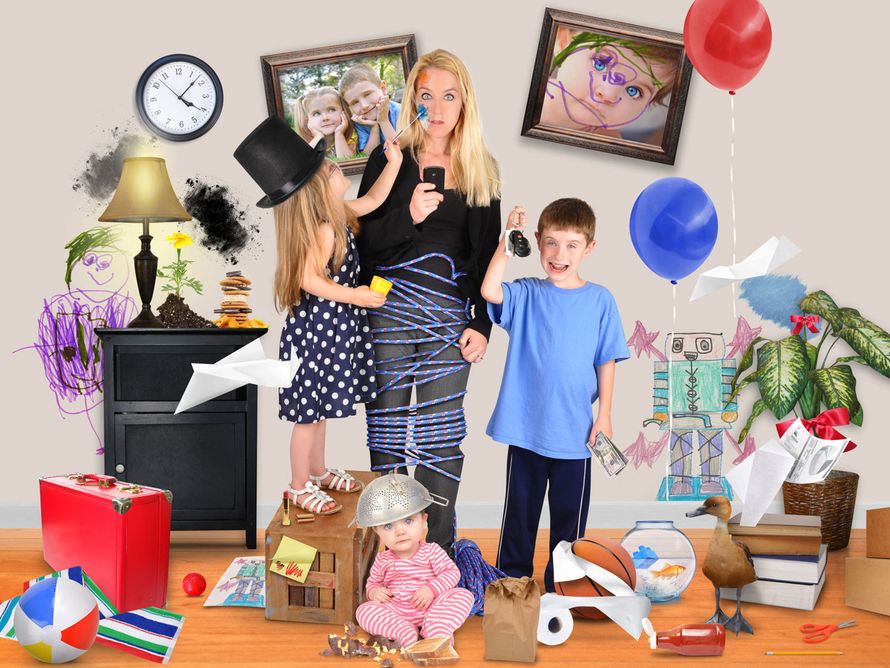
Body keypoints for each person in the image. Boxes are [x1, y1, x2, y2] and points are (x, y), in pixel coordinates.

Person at [355, 49, 502, 556]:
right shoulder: (389, 159)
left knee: (441, 439)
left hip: (448, 321)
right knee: (387, 434)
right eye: (426, 96)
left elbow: (485, 257)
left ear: (465, 103)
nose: (437, 109)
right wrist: (409, 217)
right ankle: (391, 556)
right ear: (412, 101)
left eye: (449, 96)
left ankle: (434, 552)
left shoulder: (482, 169)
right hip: (388, 315)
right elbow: (363, 247)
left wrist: (482, 324)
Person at [234, 116, 402, 515]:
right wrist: (355, 296)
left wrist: (394, 163)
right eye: (329, 170)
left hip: (329, 332)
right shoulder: (324, 230)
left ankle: (318, 470)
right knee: (308, 415)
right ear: (315, 191)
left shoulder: (337, 215)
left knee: (319, 409)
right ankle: (297, 486)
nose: (337, 168)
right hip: (316, 336)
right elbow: (308, 279)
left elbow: (372, 201)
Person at [480, 198, 630, 591]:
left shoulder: (600, 300)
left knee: (569, 524)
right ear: (536, 241)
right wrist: (506, 240)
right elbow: (490, 290)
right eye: (550, 243)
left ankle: (563, 589)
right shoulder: (527, 293)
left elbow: (607, 360)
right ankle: (511, 587)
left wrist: (605, 415)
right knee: (519, 516)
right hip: (526, 431)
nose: (559, 255)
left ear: (589, 248)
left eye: (571, 245)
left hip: (575, 433)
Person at [355, 474, 474, 648]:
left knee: (463, 595)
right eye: (388, 526)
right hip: (396, 611)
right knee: (363, 611)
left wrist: (431, 589)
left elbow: (451, 573)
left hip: (432, 607)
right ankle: (403, 631)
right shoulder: (382, 560)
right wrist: (374, 593)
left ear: (423, 520)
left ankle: (436, 629)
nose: (400, 532)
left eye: (408, 521)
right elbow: (373, 584)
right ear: (377, 531)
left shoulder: (432, 551)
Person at [541, 28, 679, 143]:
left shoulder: (605, 142)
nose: (609, 95)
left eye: (633, 91)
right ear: (563, 44)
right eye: (599, 64)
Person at [339, 63, 400, 155]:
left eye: (367, 94)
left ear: (383, 88)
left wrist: (384, 121)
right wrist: (374, 128)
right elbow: (368, 156)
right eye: (355, 102)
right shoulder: (360, 123)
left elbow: (402, 150)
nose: (364, 106)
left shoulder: (400, 111)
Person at [293, 87, 357, 159]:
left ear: (344, 112)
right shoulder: (305, 144)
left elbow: (346, 162)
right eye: (316, 114)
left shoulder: (351, 139)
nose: (325, 118)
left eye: (331, 110)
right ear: (308, 120)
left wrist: (339, 134)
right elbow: (300, 162)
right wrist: (318, 137)